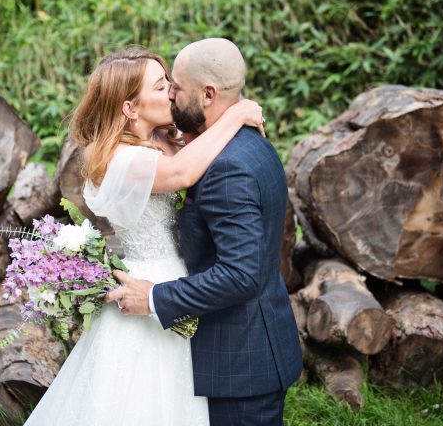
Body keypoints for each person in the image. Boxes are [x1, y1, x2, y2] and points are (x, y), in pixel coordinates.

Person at [22, 46, 265, 426]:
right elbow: (183, 175)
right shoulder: (123, 160)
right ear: (129, 108)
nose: (171, 89)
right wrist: (237, 114)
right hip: (148, 288)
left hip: (177, 279)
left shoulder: (164, 139)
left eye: (167, 79)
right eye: (159, 85)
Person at [107, 38, 303, 426]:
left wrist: (155, 297)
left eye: (176, 87)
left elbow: (240, 274)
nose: (171, 96)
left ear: (208, 94)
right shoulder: (247, 142)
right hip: (244, 344)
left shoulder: (227, 168)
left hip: (241, 360)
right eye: (163, 87)